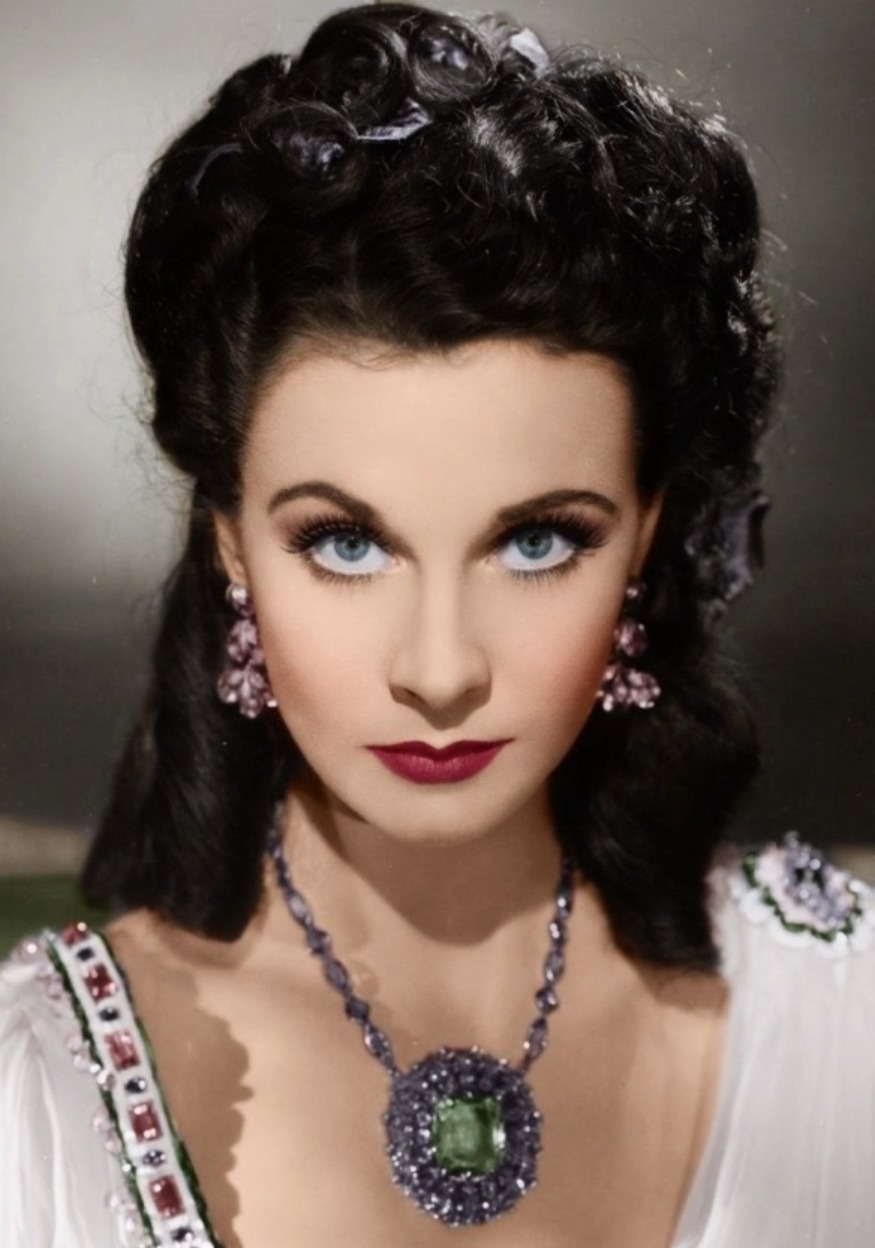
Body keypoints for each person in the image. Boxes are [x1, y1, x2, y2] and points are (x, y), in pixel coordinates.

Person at [1, 4, 872, 1245]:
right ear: (232, 544)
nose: (440, 669)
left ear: (643, 537)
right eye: (346, 544)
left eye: (537, 542)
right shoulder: (33, 1095)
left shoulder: (844, 1024)